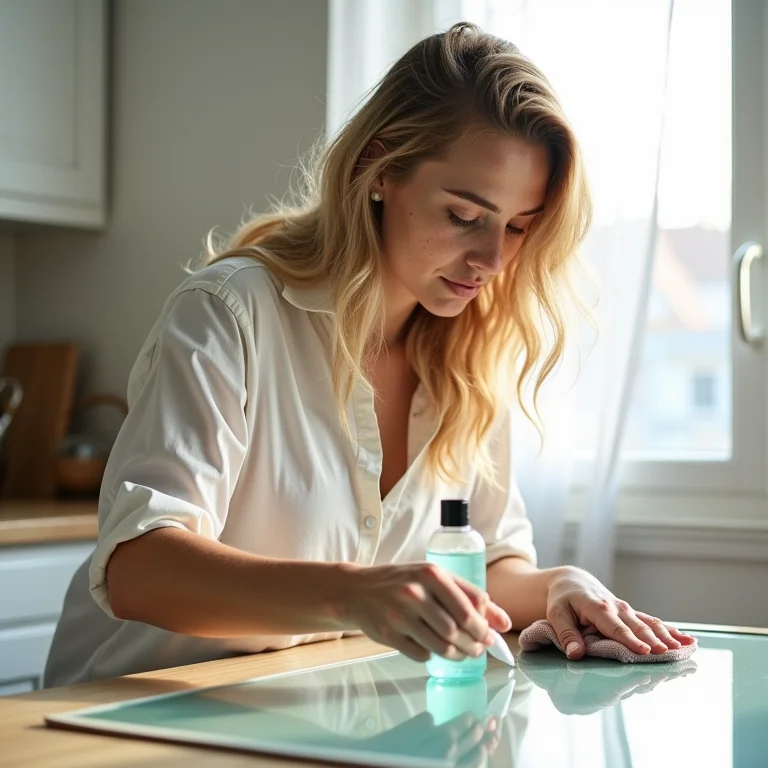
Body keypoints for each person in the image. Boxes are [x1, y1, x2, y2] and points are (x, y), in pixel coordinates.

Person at [44, 22, 694, 688]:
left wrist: (562, 584)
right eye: (465, 215)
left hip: (297, 720)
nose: (493, 259)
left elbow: (489, 566)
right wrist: (355, 592)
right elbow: (137, 568)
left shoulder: (470, 357)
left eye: (518, 226)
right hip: (118, 721)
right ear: (380, 170)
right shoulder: (231, 314)